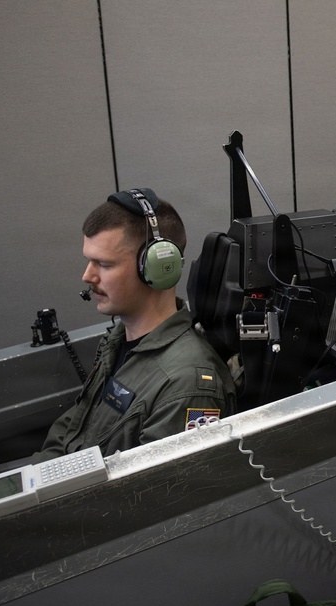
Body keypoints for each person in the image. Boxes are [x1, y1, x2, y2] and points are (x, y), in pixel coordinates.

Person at [34, 188, 236, 461]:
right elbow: (75, 429)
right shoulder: (119, 341)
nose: (87, 276)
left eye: (104, 264)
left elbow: (156, 494)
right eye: (89, 261)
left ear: (157, 267)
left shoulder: (185, 385)